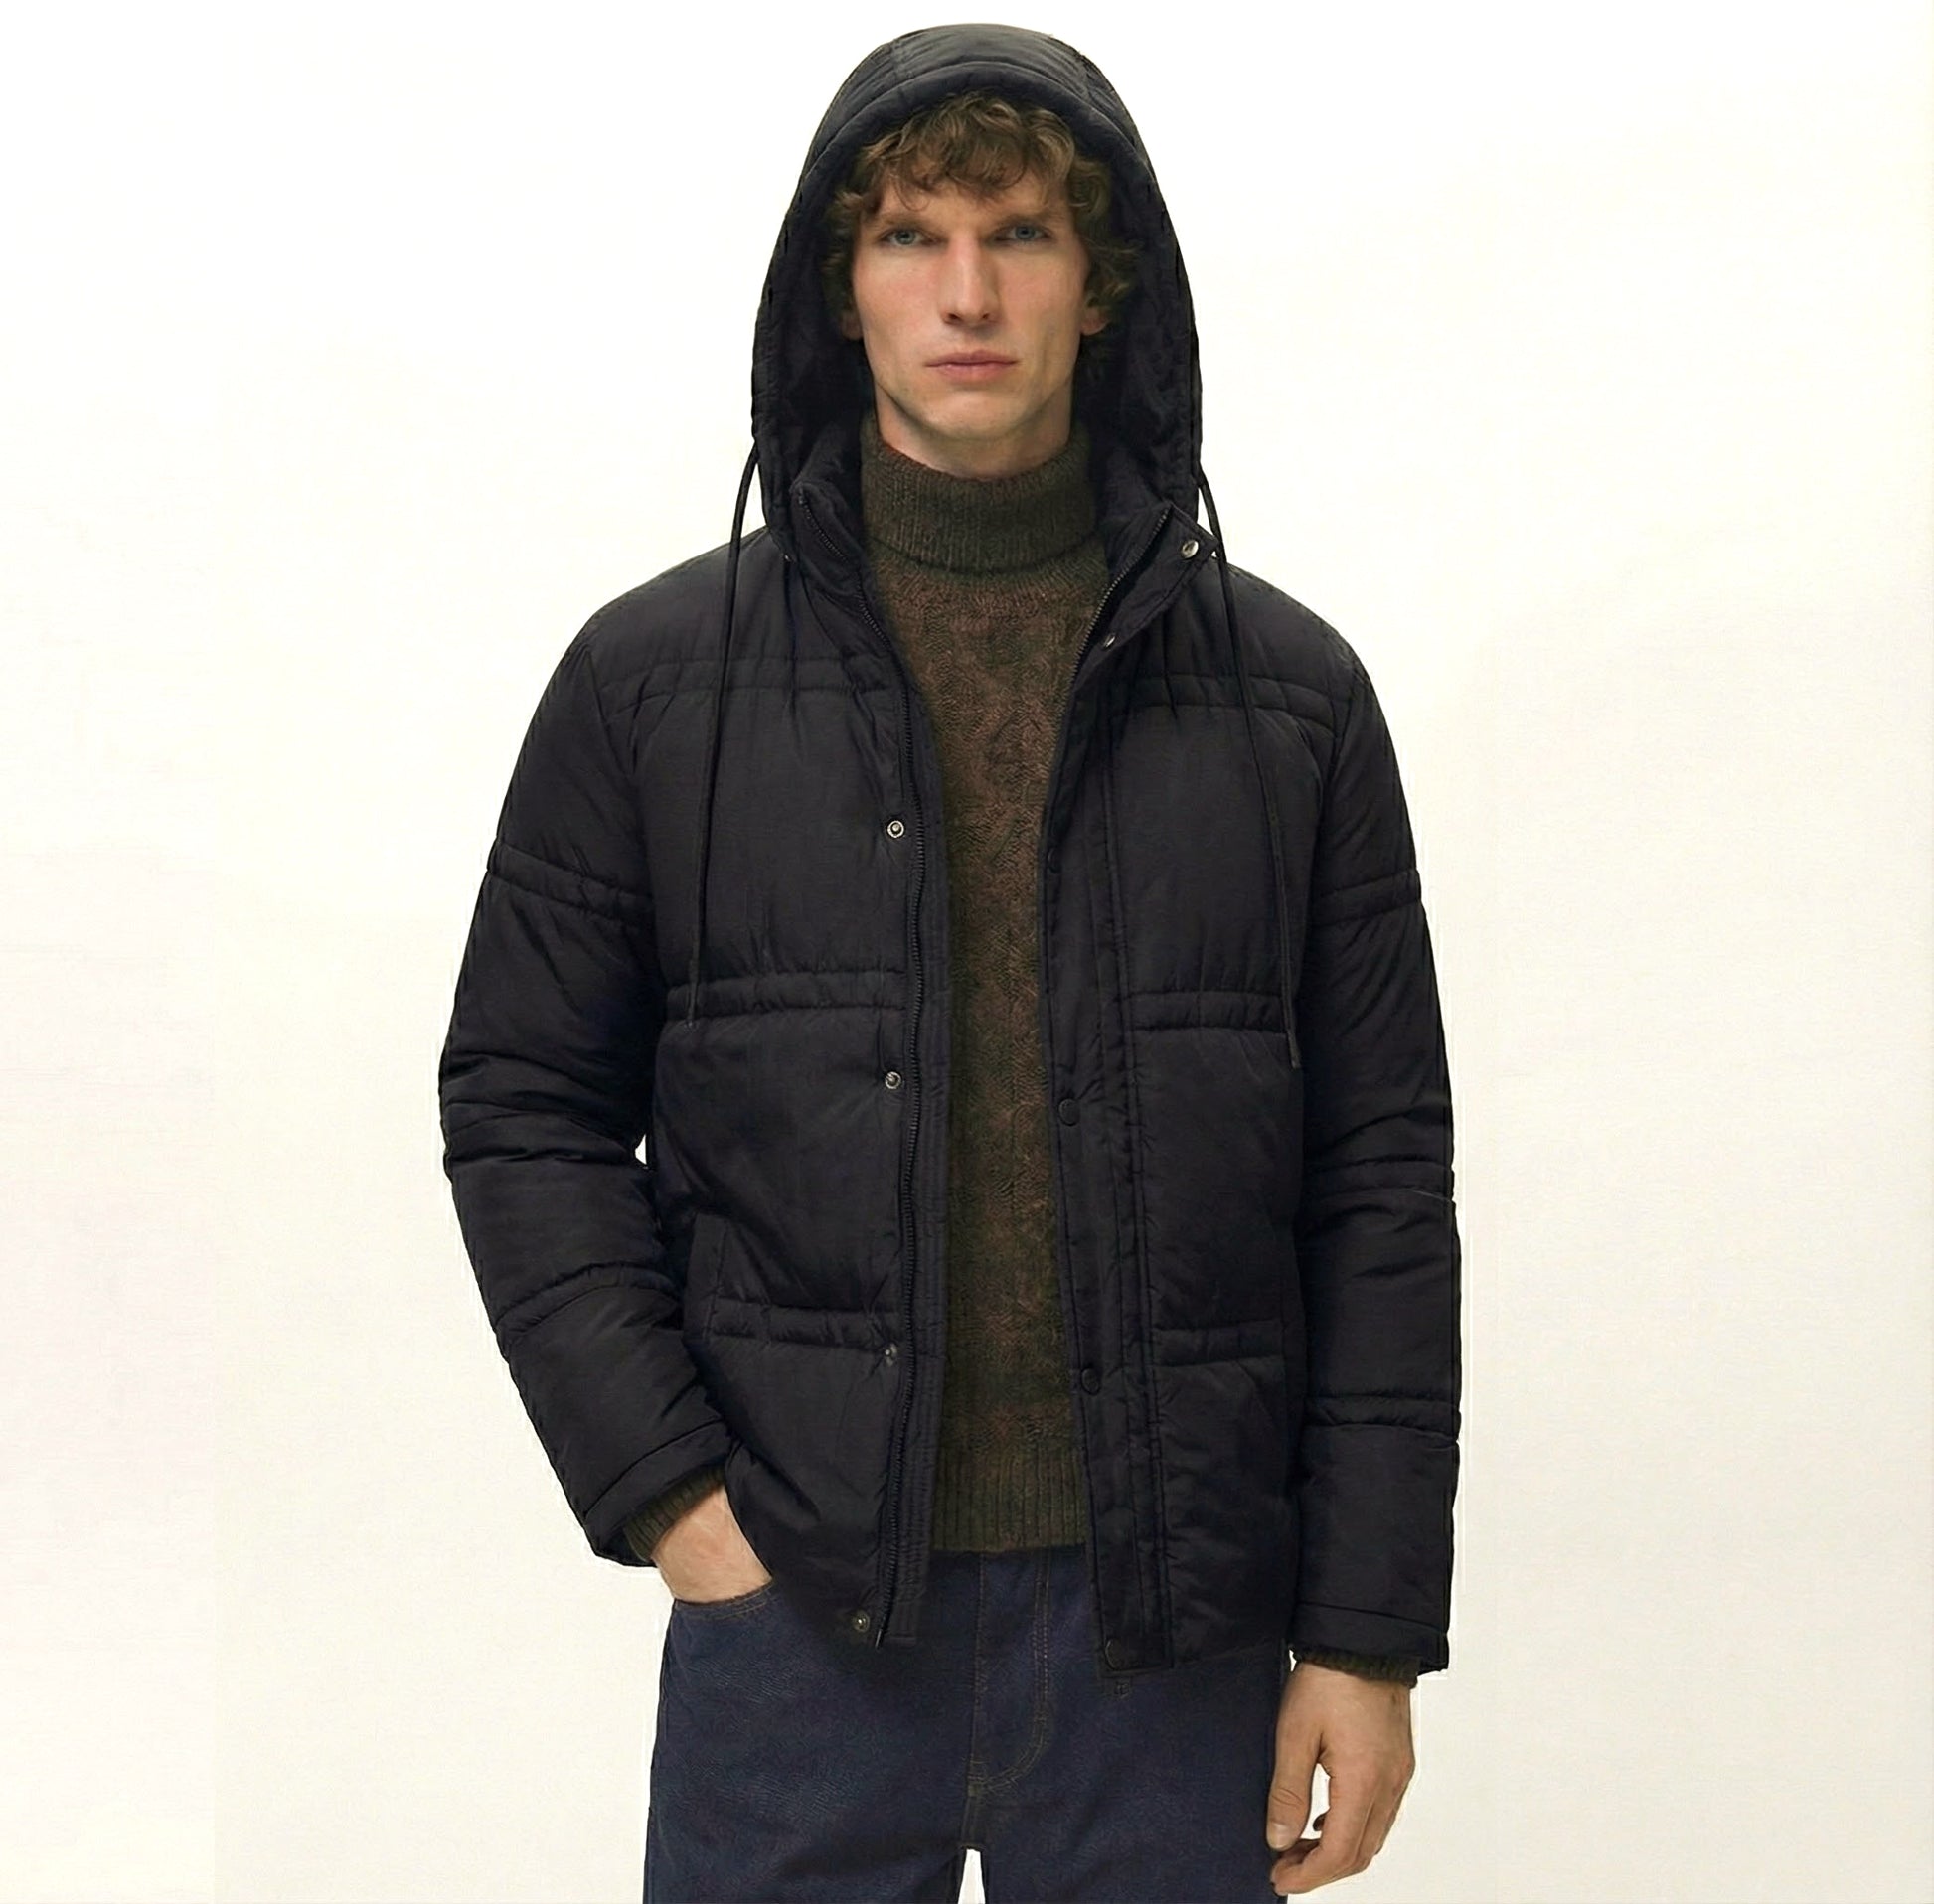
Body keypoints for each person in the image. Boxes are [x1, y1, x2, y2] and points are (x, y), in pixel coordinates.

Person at [438, 23, 1461, 1902]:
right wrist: (675, 1502)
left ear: (1102, 284)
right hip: (799, 1625)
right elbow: (522, 1108)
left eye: (1019, 236)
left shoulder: (1289, 700)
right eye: (911, 237)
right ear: (839, 287)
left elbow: (1378, 1176)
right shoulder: (654, 685)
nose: (967, 294)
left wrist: (1366, 1634)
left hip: (1176, 1636)